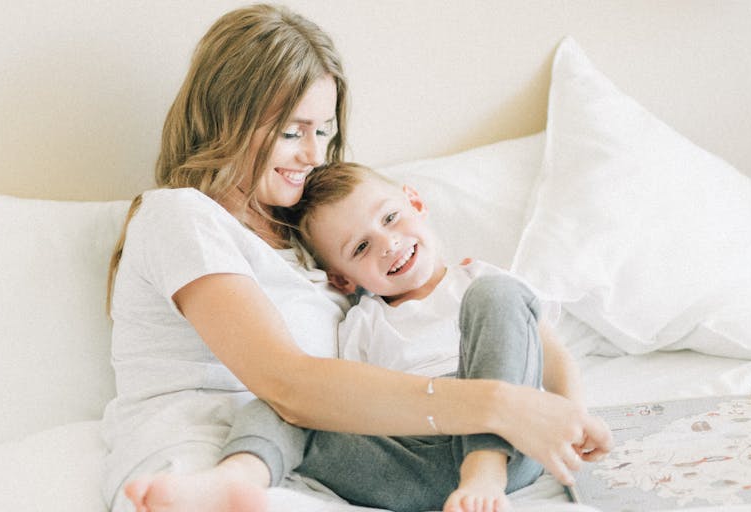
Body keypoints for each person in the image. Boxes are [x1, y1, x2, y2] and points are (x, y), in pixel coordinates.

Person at [102, 4, 613, 512]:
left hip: (328, 460)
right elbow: (289, 386)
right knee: (282, 406)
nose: (315, 155)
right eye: (291, 132)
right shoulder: (179, 215)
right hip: (212, 454)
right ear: (226, 116)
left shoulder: (311, 246)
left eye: (322, 130)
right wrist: (504, 404)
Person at [142, 162, 602, 512]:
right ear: (342, 279)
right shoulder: (361, 322)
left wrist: (574, 416)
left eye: (390, 218)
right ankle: (239, 475)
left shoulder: (478, 280)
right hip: (407, 464)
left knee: (498, 294)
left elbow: (550, 353)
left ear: (415, 202)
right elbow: (348, 406)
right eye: (360, 248)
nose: (388, 244)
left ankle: (483, 470)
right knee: (284, 401)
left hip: (512, 444)